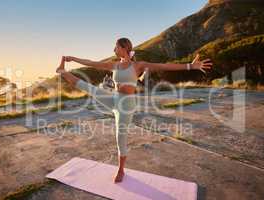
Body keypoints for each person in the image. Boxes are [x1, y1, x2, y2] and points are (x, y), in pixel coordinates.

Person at [55, 37, 212, 183]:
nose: (113, 49)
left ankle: (121, 170)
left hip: (126, 105)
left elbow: (164, 66)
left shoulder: (138, 65)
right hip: (113, 99)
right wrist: (73, 58)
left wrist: (191, 65)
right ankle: (62, 70)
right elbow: (92, 63)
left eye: (116, 47)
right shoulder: (114, 64)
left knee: (120, 137)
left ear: (123, 47)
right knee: (87, 87)